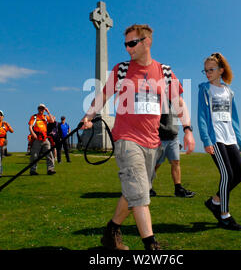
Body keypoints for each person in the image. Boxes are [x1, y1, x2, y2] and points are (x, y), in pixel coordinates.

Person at [81, 24, 195, 250]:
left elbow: (179, 102)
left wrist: (188, 129)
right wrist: (87, 116)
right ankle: (151, 246)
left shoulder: (164, 71)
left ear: (147, 42)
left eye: (132, 43)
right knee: (141, 194)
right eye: (125, 44)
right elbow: (103, 96)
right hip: (126, 139)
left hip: (153, 143)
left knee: (133, 193)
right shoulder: (121, 70)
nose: (128, 48)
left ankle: (111, 232)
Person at [198, 52, 241, 231]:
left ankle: (214, 202)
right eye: (205, 71)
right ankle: (224, 216)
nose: (208, 73)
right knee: (227, 175)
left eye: (211, 70)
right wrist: (206, 140)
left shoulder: (229, 91)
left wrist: (240, 142)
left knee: (240, 174)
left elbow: (234, 118)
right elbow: (202, 116)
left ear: (221, 70)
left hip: (230, 137)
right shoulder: (204, 89)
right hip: (215, 138)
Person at [151, 111, 195, 198]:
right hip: (159, 137)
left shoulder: (176, 102)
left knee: (176, 162)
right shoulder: (160, 100)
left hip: (174, 137)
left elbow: (182, 115)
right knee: (155, 164)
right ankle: (147, 187)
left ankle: (178, 189)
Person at [28, 104, 56, 175]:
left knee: (49, 154)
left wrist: (48, 112)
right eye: (40, 108)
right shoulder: (34, 117)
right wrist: (33, 134)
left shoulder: (45, 117)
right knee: (34, 155)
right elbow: (30, 126)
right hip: (37, 138)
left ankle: (50, 169)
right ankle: (33, 170)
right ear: (38, 109)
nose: (41, 110)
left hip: (45, 138)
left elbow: (52, 121)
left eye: (43, 109)